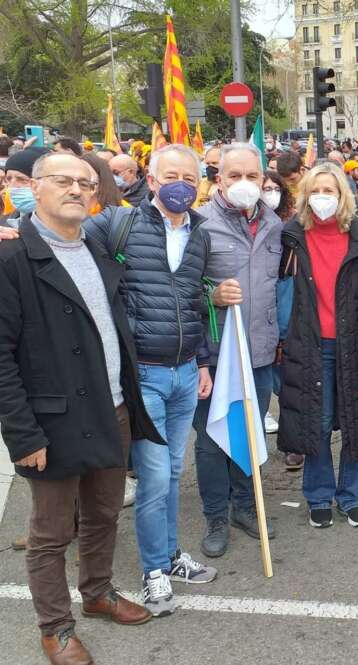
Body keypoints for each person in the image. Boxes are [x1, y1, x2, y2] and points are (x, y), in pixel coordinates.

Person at [0, 152, 161, 665]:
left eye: (85, 183)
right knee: (50, 534)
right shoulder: (12, 259)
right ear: (34, 187)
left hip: (111, 407)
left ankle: (97, 593)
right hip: (52, 419)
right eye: (62, 180)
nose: (75, 189)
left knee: (103, 514)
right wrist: (24, 436)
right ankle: (56, 627)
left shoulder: (95, 244)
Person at [82, 144, 224, 616]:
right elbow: (64, 241)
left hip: (186, 373)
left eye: (190, 174)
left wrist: (203, 363)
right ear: (153, 178)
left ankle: (168, 556)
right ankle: (153, 572)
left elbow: (195, 303)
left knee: (170, 475)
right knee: (156, 476)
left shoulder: (200, 233)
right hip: (143, 375)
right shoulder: (118, 224)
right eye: (171, 175)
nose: (180, 182)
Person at [278, 163, 358, 530]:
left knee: (356, 421)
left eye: (331, 190)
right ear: (305, 195)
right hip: (309, 344)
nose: (323, 197)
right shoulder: (290, 237)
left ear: (343, 196)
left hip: (353, 345)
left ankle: (350, 496)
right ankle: (319, 496)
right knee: (317, 424)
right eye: (316, 190)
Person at [193, 143, 282, 558]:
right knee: (212, 443)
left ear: (263, 179)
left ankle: (245, 506)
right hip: (215, 357)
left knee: (248, 436)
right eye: (234, 176)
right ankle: (215, 513)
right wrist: (210, 294)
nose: (244, 184)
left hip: (260, 353)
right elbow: (177, 288)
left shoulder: (275, 223)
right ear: (219, 179)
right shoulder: (198, 224)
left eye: (252, 176)